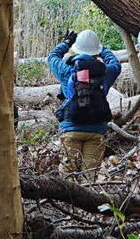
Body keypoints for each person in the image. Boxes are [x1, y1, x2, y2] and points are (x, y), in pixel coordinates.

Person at [47, 29, 121, 176]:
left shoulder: (67, 70)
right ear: (97, 51)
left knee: (68, 178)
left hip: (71, 129)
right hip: (97, 130)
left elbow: (52, 57)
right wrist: (102, 48)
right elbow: (115, 63)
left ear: (77, 49)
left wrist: (67, 43)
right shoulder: (105, 72)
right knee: (90, 178)